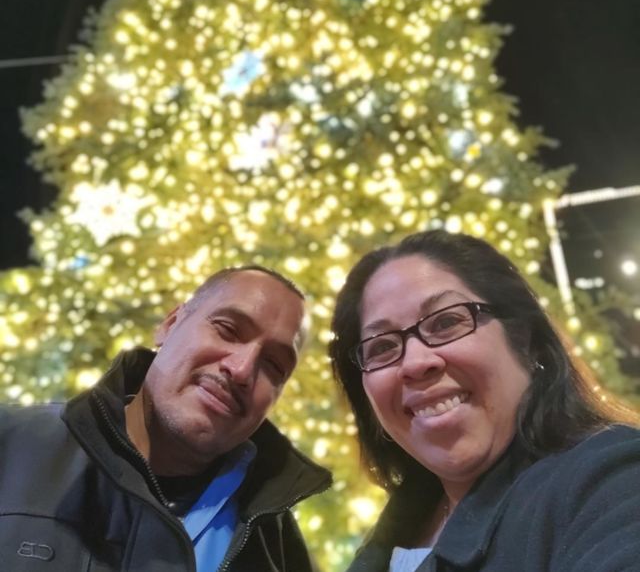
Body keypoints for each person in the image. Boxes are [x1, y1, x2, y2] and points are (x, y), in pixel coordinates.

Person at [329, 229, 640, 572]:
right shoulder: (394, 532)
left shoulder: (612, 481)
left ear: (526, 341)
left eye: (446, 322)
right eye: (382, 347)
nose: (415, 363)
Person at [0, 265, 331, 572]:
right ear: (170, 324)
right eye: (228, 330)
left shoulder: (278, 552)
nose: (242, 369)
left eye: (273, 365)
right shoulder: (13, 445)